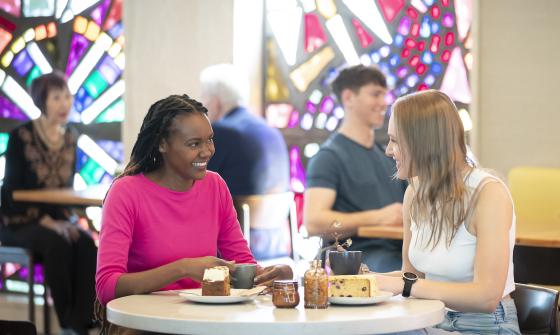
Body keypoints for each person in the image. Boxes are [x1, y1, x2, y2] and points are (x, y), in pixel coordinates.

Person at [95, 95, 292, 311]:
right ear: (162, 144)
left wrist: (271, 275)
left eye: (210, 139)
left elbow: (241, 263)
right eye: (194, 143)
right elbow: (107, 287)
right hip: (147, 323)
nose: (207, 151)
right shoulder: (126, 193)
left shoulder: (215, 185)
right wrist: (183, 268)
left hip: (203, 319)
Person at [378, 89, 520, 334]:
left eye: (395, 140)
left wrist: (402, 285)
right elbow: (411, 276)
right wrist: (363, 280)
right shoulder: (414, 192)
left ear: (423, 142)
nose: (389, 150)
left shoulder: (488, 193)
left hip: (484, 325)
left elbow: (486, 297)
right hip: (428, 319)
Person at [0, 71, 97, 335]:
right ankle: (66, 322)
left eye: (67, 96)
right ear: (42, 101)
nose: (65, 103)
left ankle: (82, 322)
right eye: (56, 97)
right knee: (57, 244)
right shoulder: (22, 136)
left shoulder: (70, 138)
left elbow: (63, 193)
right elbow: (10, 192)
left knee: (86, 242)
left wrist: (62, 222)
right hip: (17, 221)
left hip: (54, 219)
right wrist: (48, 223)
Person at [304, 65, 406, 272]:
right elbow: (313, 222)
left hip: (398, 249)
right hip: (357, 256)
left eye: (385, 95)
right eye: (375, 94)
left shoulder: (387, 156)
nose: (384, 103)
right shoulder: (329, 157)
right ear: (348, 97)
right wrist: (378, 217)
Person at [200, 63, 291, 259]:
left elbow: (197, 186)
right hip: (275, 244)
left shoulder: (221, 132)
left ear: (215, 102)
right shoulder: (272, 132)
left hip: (236, 249)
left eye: (203, 99)